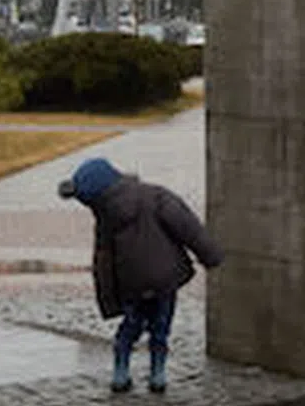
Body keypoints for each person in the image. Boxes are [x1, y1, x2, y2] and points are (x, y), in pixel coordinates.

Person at [58, 157, 223, 393]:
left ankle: (121, 371)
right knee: (161, 326)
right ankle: (157, 374)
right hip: (164, 277)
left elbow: (103, 261)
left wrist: (108, 300)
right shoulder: (156, 196)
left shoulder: (106, 218)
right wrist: (211, 256)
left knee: (131, 325)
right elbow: (188, 227)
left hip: (130, 283)